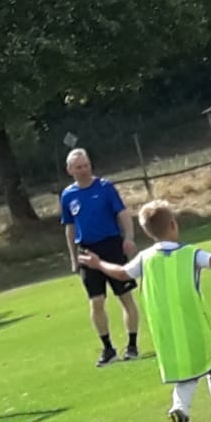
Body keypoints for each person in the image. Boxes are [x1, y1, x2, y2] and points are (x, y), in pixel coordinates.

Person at [77, 200, 211, 422]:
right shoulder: (189, 253)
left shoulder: (145, 258)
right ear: (173, 224)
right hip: (194, 322)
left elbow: (122, 272)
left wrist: (98, 264)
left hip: (164, 330)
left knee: (185, 373)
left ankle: (179, 410)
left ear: (148, 232)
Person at [60, 148, 140, 367]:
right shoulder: (67, 195)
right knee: (96, 301)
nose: (84, 170)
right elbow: (69, 228)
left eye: (86, 165)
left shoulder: (105, 187)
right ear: (70, 170)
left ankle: (132, 345)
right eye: (79, 167)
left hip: (111, 246)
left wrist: (128, 237)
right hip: (87, 250)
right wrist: (73, 258)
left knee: (125, 297)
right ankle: (108, 349)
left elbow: (122, 213)